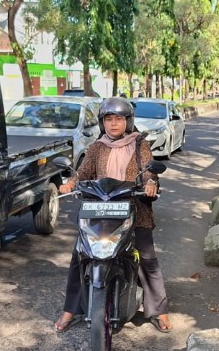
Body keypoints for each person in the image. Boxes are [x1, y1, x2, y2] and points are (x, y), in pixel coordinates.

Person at [53, 96, 172, 333]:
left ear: (127, 121)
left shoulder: (140, 144)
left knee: (146, 257)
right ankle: (71, 309)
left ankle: (159, 310)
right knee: (80, 256)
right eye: (108, 119)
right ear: (102, 122)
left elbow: (149, 170)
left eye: (119, 119)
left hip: (134, 208)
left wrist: (150, 184)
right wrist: (71, 183)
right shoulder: (96, 147)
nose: (114, 124)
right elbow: (83, 172)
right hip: (99, 210)